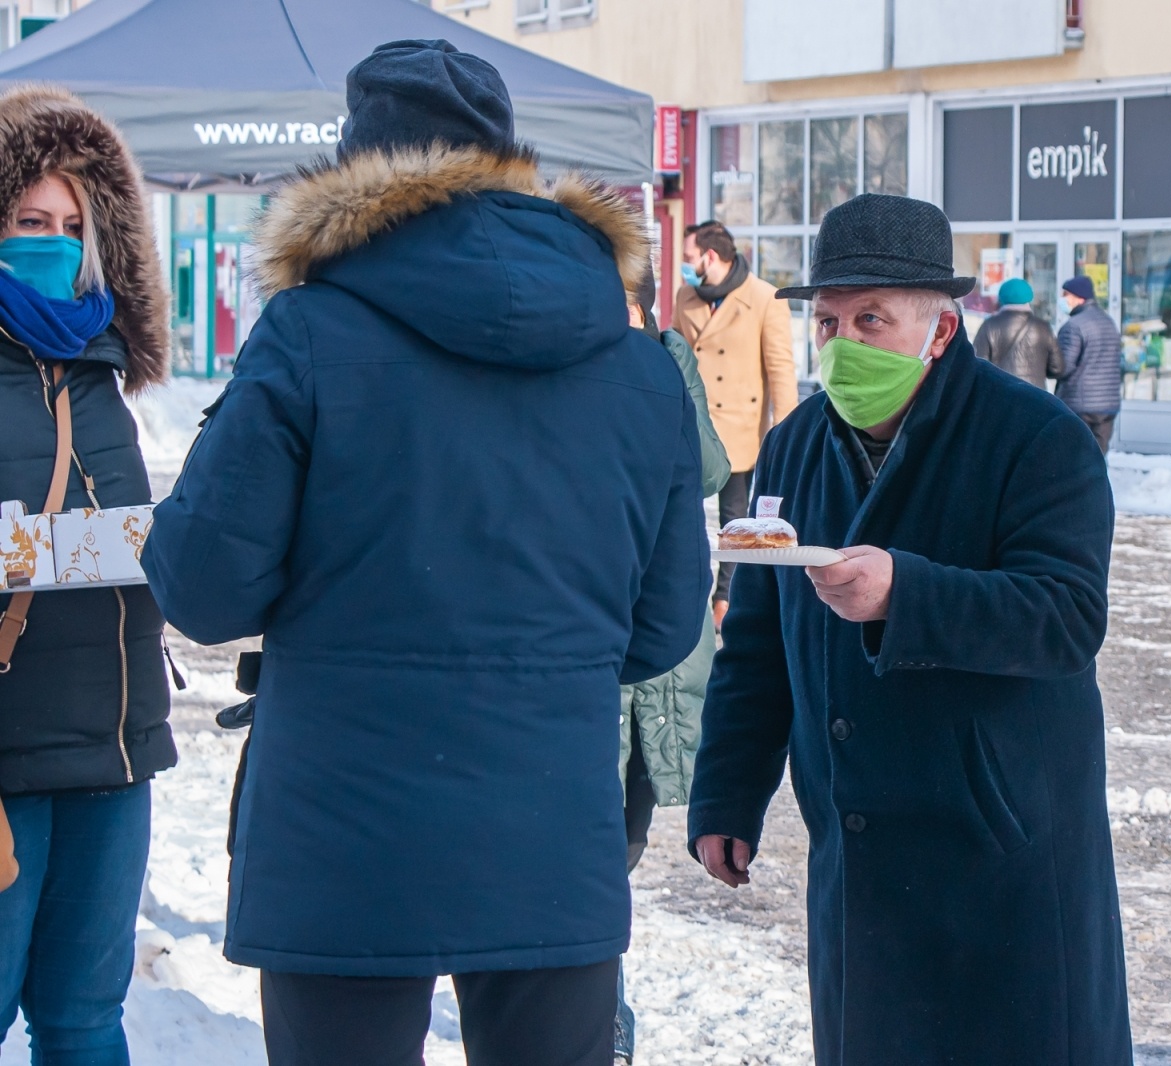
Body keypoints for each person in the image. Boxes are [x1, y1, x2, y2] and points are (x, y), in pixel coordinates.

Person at [141, 40, 709, 1066]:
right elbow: (664, 625)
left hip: (343, 839)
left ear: (352, 176)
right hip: (550, 828)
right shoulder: (641, 366)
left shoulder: (306, 336)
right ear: (506, 161)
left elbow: (205, 587)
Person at [687, 193, 1132, 1066]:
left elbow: (1067, 618)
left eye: (872, 319)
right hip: (858, 858)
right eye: (830, 321)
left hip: (999, 853)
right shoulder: (797, 446)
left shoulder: (1036, 438)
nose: (844, 344)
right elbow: (760, 642)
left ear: (939, 328)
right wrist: (728, 792)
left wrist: (908, 594)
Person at [0, 86, 175, 1063]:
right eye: (30, 220)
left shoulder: (106, 372)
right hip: (8, 748)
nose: (54, 241)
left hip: (116, 742)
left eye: (71, 224)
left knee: (83, 1020)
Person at [613, 272, 729, 1065]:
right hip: (603, 660)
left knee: (619, 836)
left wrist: (668, 366)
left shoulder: (662, 358)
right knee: (593, 850)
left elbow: (712, 470)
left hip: (658, 658)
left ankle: (595, 1009)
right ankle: (601, 1014)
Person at [673, 219, 797, 631]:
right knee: (684, 511)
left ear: (710, 256)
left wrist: (788, 430)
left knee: (735, 521)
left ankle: (727, 599)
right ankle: (685, 592)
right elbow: (675, 359)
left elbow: (780, 368)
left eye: (689, 258)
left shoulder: (763, 297)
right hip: (692, 423)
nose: (684, 266)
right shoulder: (686, 296)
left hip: (741, 429)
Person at [1054, 274, 1123, 453]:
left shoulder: (1073, 326)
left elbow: (1064, 366)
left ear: (1079, 297)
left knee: (1077, 456)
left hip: (1080, 403)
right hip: (1108, 403)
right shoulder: (1109, 322)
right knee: (1099, 456)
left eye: (1065, 294)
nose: (1062, 299)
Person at [972, 276, 1058, 389]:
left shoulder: (989, 325)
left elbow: (978, 364)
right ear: (1029, 297)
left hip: (1000, 394)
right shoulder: (1043, 327)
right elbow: (1057, 368)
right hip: (1036, 397)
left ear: (1001, 298)